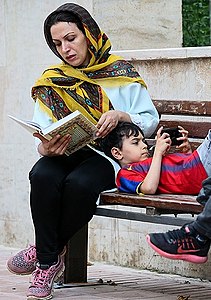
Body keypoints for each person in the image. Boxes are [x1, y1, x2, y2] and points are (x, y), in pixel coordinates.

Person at [6, 3, 159, 300]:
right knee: (41, 174)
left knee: (80, 183)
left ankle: (43, 256)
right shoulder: (52, 80)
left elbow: (150, 120)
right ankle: (50, 259)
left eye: (71, 38)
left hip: (108, 155)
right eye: (58, 43)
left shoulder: (120, 72)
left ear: (88, 34)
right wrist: (44, 145)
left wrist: (122, 116)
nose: (66, 48)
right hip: (66, 151)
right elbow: (43, 126)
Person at [100, 121, 211, 264]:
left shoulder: (153, 162)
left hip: (198, 166)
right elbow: (149, 188)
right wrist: (158, 153)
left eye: (143, 141)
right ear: (117, 152)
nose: (144, 145)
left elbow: (180, 173)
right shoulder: (126, 173)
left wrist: (186, 152)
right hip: (200, 169)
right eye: (136, 143)